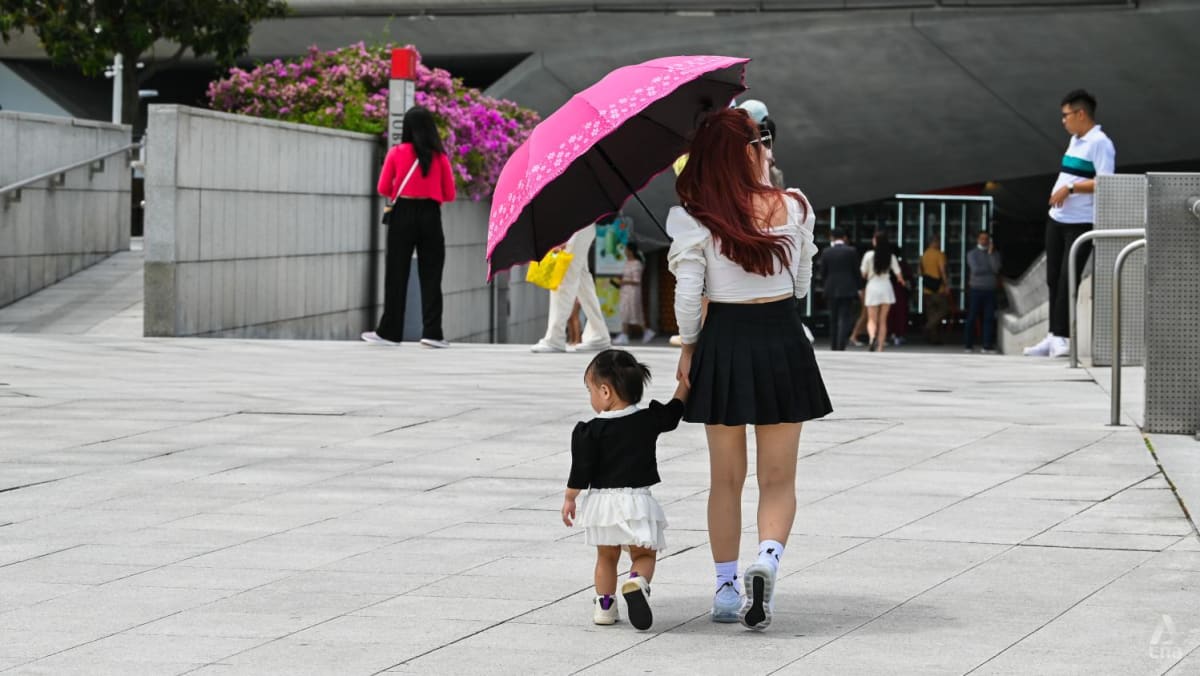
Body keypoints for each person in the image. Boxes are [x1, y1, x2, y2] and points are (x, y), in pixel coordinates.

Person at [668, 108, 833, 631]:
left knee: (726, 479)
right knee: (779, 478)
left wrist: (688, 349)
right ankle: (768, 557)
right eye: (762, 141)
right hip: (782, 338)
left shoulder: (696, 215)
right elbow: (803, 284)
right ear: (750, 151)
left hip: (724, 342)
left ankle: (723, 587)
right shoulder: (796, 206)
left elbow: (689, 297)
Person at [561, 350, 688, 630]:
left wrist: (570, 498)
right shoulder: (647, 420)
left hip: (602, 504)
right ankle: (636, 582)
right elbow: (672, 413)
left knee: (606, 556)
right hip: (636, 501)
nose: (591, 396)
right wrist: (684, 384)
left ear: (605, 392)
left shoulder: (588, 431)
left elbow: (580, 470)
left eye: (590, 390)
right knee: (643, 555)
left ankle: (604, 606)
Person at [1025, 89, 1116, 358]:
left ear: (1080, 113)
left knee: (1068, 278)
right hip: (1057, 219)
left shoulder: (1100, 142)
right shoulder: (1076, 141)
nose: (1063, 121)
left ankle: (1062, 337)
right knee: (1054, 278)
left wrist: (1071, 190)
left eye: (1066, 115)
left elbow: (1105, 181)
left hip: (1081, 222)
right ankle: (1053, 335)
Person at [362, 106, 456, 348]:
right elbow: (449, 194)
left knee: (396, 273)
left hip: (402, 213)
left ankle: (390, 333)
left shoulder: (396, 153)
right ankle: (433, 333)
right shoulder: (440, 157)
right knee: (432, 274)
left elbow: (383, 188)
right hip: (430, 215)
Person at [530, 223, 613, 353]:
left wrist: (564, 236)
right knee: (582, 281)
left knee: (565, 279)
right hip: (581, 224)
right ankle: (599, 335)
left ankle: (555, 338)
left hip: (577, 225)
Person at [859, 231, 905, 352]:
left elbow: (863, 274)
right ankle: (880, 347)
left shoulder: (868, 255)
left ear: (875, 241)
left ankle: (872, 337)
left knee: (871, 319)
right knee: (883, 320)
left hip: (873, 286)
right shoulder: (891, 256)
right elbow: (899, 276)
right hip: (886, 287)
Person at [819, 229, 860, 350]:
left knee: (833, 318)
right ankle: (841, 344)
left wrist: (825, 284)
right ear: (844, 238)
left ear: (832, 237)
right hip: (847, 288)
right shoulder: (851, 251)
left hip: (831, 288)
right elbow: (856, 271)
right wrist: (859, 287)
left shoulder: (826, 252)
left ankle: (833, 345)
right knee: (845, 317)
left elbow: (823, 272)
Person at [964, 231, 1002, 353]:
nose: (984, 241)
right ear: (978, 240)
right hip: (976, 289)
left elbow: (996, 269)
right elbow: (975, 270)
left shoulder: (994, 254)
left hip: (990, 289)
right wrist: (989, 269)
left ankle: (987, 345)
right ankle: (968, 345)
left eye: (986, 239)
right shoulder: (972, 254)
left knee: (989, 318)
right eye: (982, 239)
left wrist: (990, 255)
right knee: (972, 317)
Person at [612, 240, 655, 345]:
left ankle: (646, 331)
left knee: (634, 313)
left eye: (626, 249)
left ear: (631, 251)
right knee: (624, 312)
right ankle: (624, 334)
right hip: (624, 290)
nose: (625, 251)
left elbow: (637, 280)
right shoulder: (627, 262)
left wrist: (623, 281)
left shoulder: (637, 263)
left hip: (632, 292)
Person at [920, 236, 951, 344]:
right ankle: (928, 326)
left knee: (931, 313)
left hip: (927, 289)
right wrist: (946, 285)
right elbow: (942, 270)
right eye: (939, 242)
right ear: (935, 242)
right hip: (938, 289)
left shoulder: (924, 255)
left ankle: (934, 338)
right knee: (944, 309)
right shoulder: (939, 254)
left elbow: (920, 272)